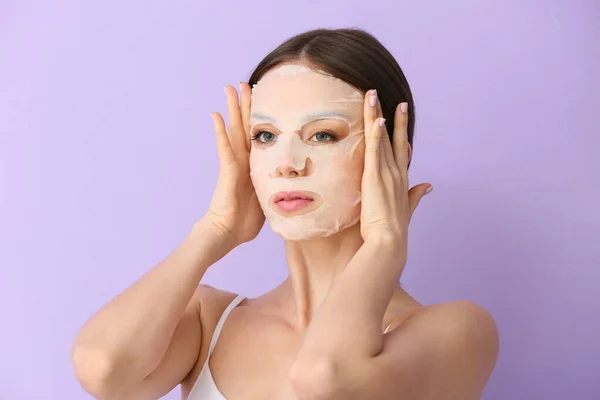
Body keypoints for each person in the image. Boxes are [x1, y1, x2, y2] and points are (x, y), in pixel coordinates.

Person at [71, 28, 499, 400]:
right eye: (265, 135)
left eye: (322, 135)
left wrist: (386, 243)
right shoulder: (208, 321)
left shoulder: (458, 332)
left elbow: (326, 378)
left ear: (394, 156)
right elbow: (103, 370)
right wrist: (215, 230)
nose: (287, 163)